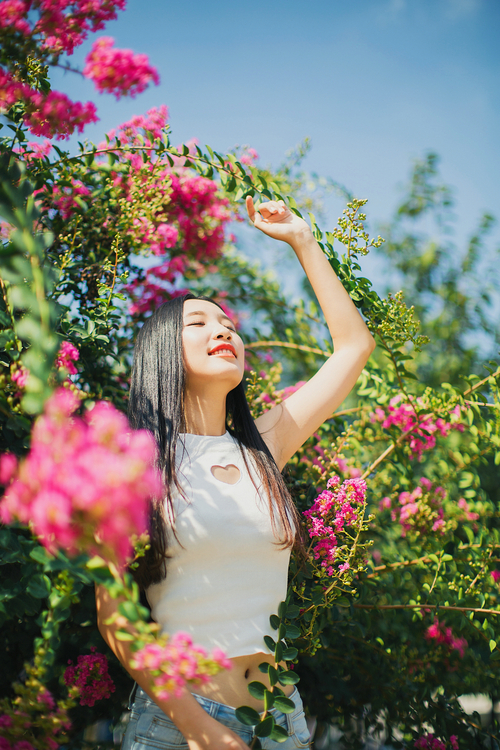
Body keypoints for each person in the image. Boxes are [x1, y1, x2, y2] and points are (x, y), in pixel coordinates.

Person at [96, 196, 376, 749]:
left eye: (227, 323)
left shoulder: (263, 447)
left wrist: (303, 240)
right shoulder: (131, 466)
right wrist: (199, 729)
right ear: (161, 353)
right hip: (175, 725)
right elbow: (114, 617)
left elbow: (354, 346)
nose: (223, 329)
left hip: (279, 716)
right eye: (198, 322)